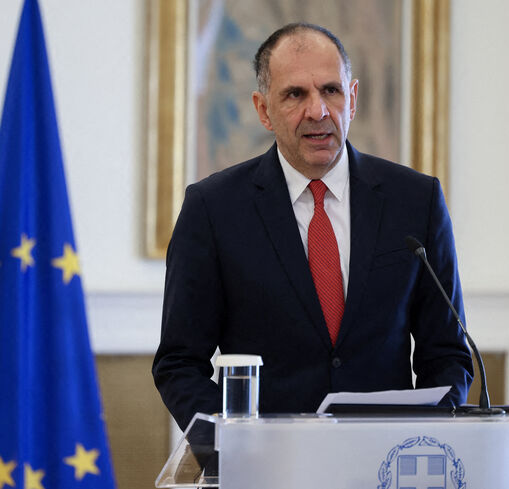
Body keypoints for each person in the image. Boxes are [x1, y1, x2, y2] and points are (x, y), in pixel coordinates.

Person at [152, 23, 473, 431]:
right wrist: (229, 445)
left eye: (330, 91)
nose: (318, 111)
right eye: (295, 94)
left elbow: (448, 354)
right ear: (263, 109)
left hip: (384, 462)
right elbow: (179, 363)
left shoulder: (415, 200)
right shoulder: (213, 209)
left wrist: (422, 440)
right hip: (266, 467)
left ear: (352, 99)